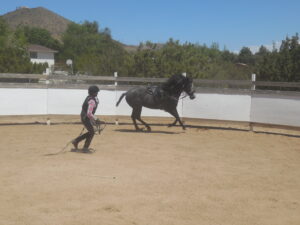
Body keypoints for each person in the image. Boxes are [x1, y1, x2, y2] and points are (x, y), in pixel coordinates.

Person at [72, 85, 100, 152]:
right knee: (92, 132)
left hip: (84, 117)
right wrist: (96, 119)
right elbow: (89, 113)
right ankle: (84, 147)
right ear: (94, 93)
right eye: (96, 92)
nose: (97, 93)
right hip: (86, 118)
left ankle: (76, 141)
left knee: (91, 132)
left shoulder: (88, 98)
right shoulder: (92, 101)